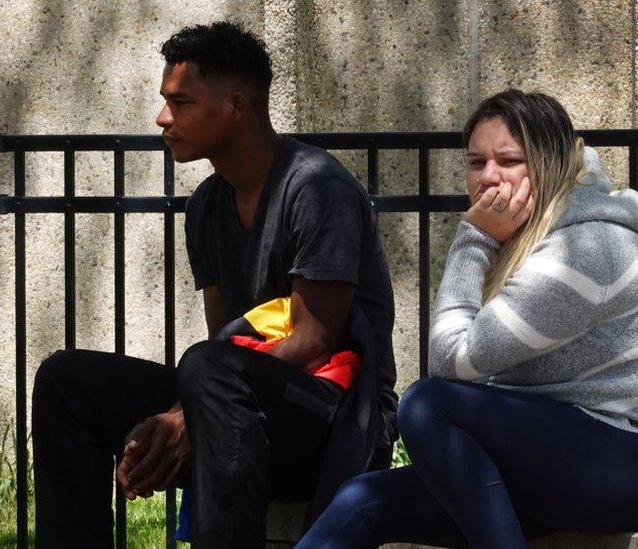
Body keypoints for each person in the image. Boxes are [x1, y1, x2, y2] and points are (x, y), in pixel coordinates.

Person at [297, 89, 638, 548]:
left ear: (550, 165)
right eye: (476, 163)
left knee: (428, 404)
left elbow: (451, 362)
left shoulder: (584, 250)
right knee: (362, 500)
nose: (489, 178)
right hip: (580, 456)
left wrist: (472, 238)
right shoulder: (527, 243)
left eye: (509, 160)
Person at [31, 21, 398, 548]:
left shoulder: (317, 187)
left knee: (208, 366)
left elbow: (316, 339)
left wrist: (188, 413)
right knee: (68, 380)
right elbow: (230, 343)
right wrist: (180, 416)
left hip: (335, 421)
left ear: (235, 105)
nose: (163, 118)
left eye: (180, 103)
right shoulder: (206, 206)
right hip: (241, 409)